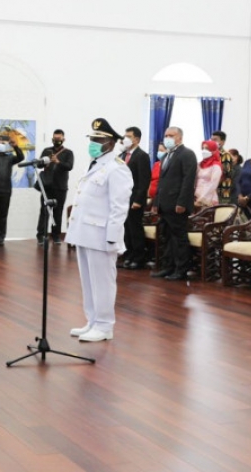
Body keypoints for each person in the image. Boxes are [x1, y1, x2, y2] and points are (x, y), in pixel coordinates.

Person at [66, 118, 133, 342]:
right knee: (88, 281)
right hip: (85, 234)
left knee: (103, 282)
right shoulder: (96, 164)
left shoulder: (117, 169)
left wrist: (112, 238)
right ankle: (92, 321)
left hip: (102, 236)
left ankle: (105, 325)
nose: (93, 143)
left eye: (98, 140)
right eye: (92, 139)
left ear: (111, 143)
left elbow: (119, 207)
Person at [150, 127, 197, 281]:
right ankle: (168, 267)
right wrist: (156, 202)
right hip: (164, 204)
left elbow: (188, 181)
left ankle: (181, 269)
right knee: (167, 236)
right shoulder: (166, 156)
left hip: (177, 204)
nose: (167, 138)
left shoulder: (187, 154)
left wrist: (182, 202)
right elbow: (161, 182)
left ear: (180, 138)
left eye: (171, 135)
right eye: (166, 135)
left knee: (179, 238)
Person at [35, 129, 74, 245]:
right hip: (47, 186)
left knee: (58, 211)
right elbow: (38, 164)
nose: (56, 140)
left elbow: (69, 166)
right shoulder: (46, 150)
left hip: (60, 187)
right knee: (44, 211)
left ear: (63, 139)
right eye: (55, 138)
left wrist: (57, 162)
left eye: (59, 139)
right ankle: (41, 235)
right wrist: (44, 162)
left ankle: (56, 235)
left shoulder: (68, 153)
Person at [0, 133, 24, 245]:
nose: (0, 144)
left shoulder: (10, 157)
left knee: (3, 216)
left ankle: (0, 237)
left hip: (6, 191)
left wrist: (15, 147)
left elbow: (21, 157)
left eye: (3, 143)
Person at [120, 127, 150, 269]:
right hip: (122, 199)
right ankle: (129, 255)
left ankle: (138, 258)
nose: (125, 138)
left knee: (135, 228)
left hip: (135, 199)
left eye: (128, 136)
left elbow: (144, 180)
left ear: (136, 139)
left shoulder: (142, 155)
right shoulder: (122, 155)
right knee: (125, 228)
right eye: (124, 136)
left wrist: (138, 200)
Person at [194, 140, 222, 211]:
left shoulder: (216, 166)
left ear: (213, 150)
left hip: (207, 199)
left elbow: (213, 184)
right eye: (203, 148)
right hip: (196, 196)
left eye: (206, 149)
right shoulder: (200, 164)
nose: (204, 151)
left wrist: (201, 199)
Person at [211, 130, 236, 205]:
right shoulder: (211, 154)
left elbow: (224, 174)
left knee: (220, 214)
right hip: (212, 190)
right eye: (211, 139)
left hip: (222, 192)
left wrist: (212, 186)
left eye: (215, 140)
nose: (212, 141)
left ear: (223, 142)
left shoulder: (225, 155)